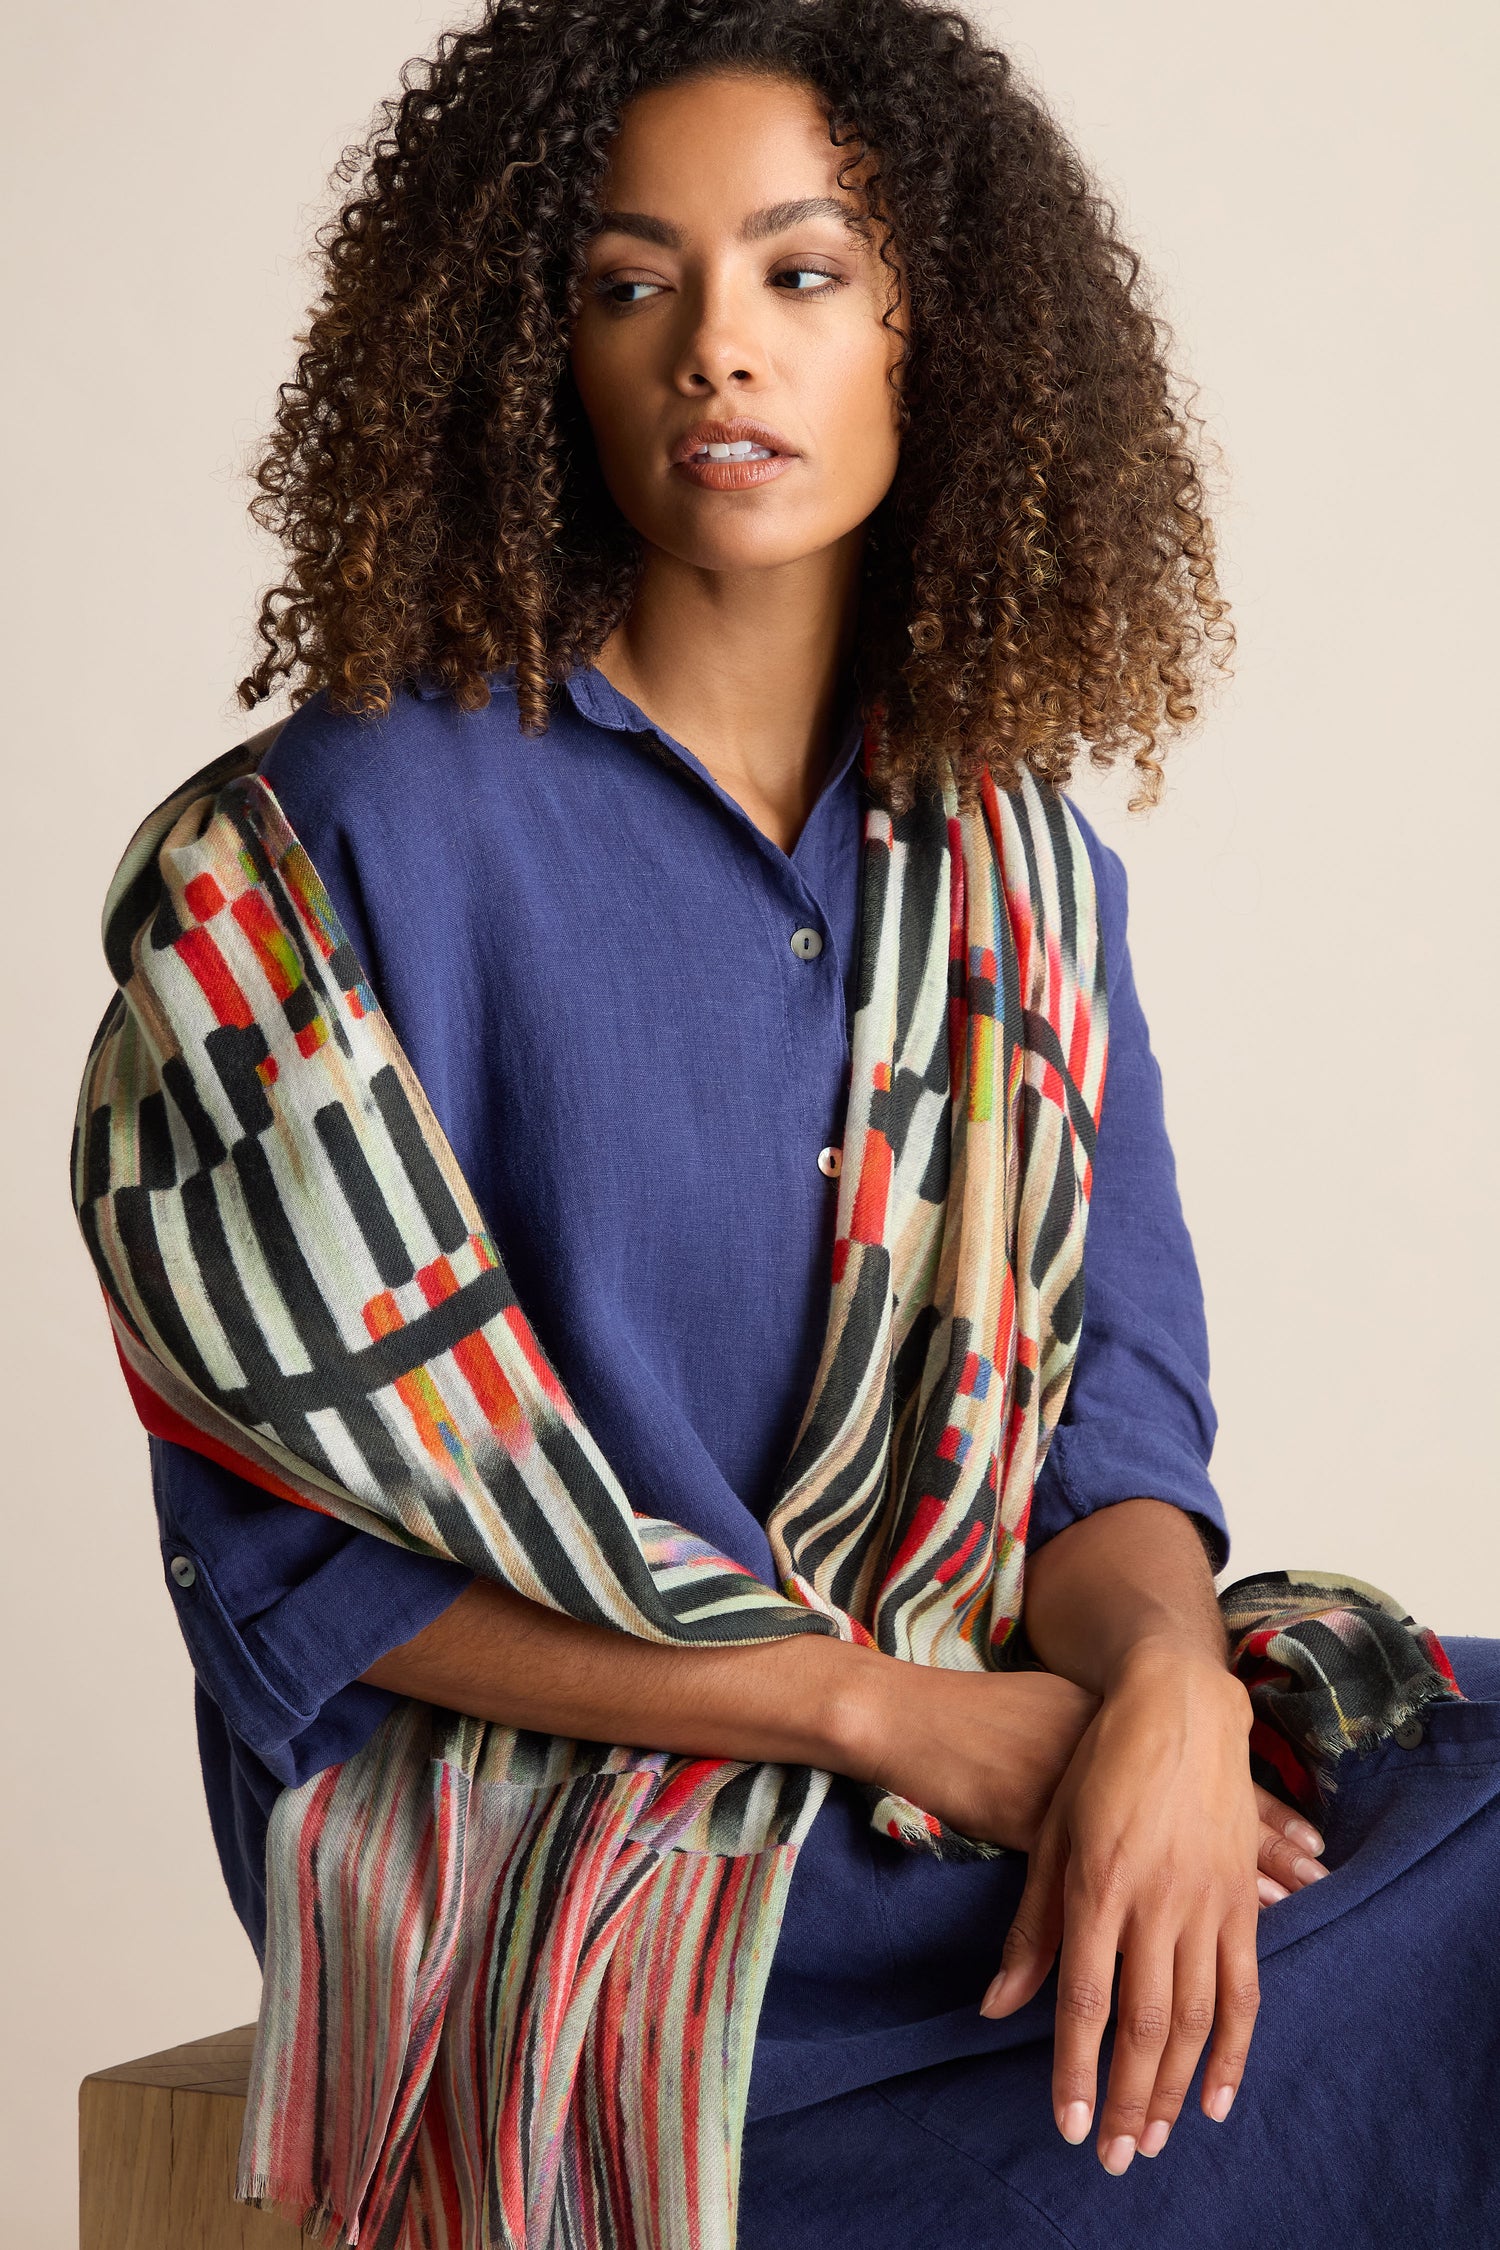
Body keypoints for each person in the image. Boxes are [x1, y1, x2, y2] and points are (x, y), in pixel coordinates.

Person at [109, 2, 1500, 2242]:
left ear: (928, 329)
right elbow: (295, 1563)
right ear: (535, 349)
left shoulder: (1020, 873)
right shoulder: (327, 844)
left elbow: (1120, 1454)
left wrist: (1158, 1701)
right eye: (631, 282)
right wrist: (886, 1721)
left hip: (984, 1777)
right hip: (561, 1842)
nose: (716, 352)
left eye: (802, 271)